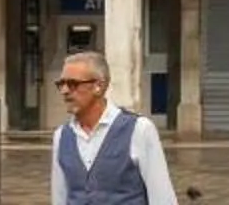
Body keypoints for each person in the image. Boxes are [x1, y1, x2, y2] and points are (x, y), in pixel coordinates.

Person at [49, 50, 178, 205]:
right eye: (61, 84)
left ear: (99, 86)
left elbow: (162, 197)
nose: (64, 91)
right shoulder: (61, 136)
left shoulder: (139, 129)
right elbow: (59, 198)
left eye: (72, 84)